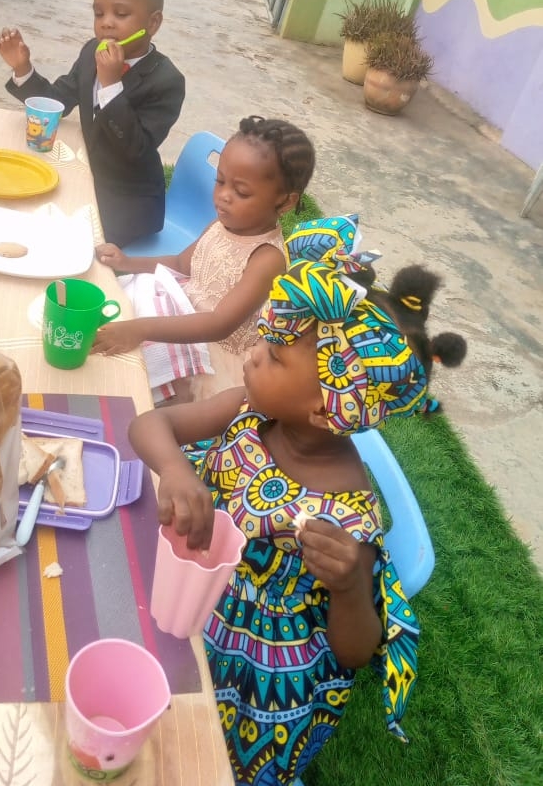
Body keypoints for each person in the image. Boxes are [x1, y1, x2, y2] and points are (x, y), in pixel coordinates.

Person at [128, 216, 466, 786]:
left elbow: (354, 651)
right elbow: (150, 426)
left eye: (275, 356)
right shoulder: (248, 409)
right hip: (188, 574)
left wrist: (349, 585)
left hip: (252, 659)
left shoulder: (349, 516)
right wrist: (177, 470)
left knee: (190, 751)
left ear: (324, 406)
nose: (254, 354)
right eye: (266, 341)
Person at [92, 116, 315, 403]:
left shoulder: (267, 259)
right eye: (220, 181)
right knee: (121, 311)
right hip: (183, 312)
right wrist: (127, 263)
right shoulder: (220, 225)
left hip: (211, 352)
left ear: (285, 201)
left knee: (136, 381)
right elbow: (181, 265)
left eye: (241, 191)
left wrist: (141, 329)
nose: (223, 196)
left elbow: (218, 324)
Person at [0, 0, 185, 247]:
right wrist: (22, 68)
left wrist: (111, 86)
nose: (106, 22)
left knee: (60, 242)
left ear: (152, 23)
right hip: (84, 172)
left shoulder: (166, 81)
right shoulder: (91, 52)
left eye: (121, 14)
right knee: (16, 200)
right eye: (99, 13)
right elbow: (59, 100)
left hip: (126, 202)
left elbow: (136, 149)